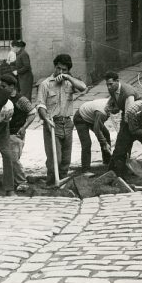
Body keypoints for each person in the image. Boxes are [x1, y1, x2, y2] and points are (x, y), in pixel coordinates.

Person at [36, 54, 87, 185]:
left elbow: (83, 88)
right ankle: (52, 183)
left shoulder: (70, 82)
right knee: (55, 158)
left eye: (64, 70)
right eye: (58, 68)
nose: (60, 72)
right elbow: (40, 105)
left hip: (68, 123)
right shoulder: (45, 84)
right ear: (55, 66)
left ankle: (63, 183)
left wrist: (68, 77)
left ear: (68, 70)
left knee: (66, 159)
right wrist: (46, 119)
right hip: (52, 123)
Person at [0, 74, 36, 190]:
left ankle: (22, 182)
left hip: (15, 134)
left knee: (13, 159)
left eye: (3, 86)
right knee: (10, 159)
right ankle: (13, 182)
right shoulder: (2, 98)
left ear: (12, 87)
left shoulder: (20, 99)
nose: (1, 88)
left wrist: (24, 127)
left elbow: (32, 113)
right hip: (5, 134)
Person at [104, 71, 142, 175]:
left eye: (110, 84)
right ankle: (116, 172)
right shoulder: (114, 89)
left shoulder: (128, 92)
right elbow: (115, 102)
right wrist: (109, 106)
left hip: (139, 117)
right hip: (127, 115)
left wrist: (125, 131)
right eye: (107, 84)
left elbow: (129, 114)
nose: (108, 87)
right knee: (121, 145)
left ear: (117, 81)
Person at [73, 98, 118, 170]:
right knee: (86, 143)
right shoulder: (102, 113)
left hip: (91, 116)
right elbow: (97, 130)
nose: (118, 111)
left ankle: (107, 162)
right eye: (117, 110)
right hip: (80, 118)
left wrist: (105, 142)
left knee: (106, 134)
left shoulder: (110, 103)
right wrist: (104, 143)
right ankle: (85, 169)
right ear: (111, 107)